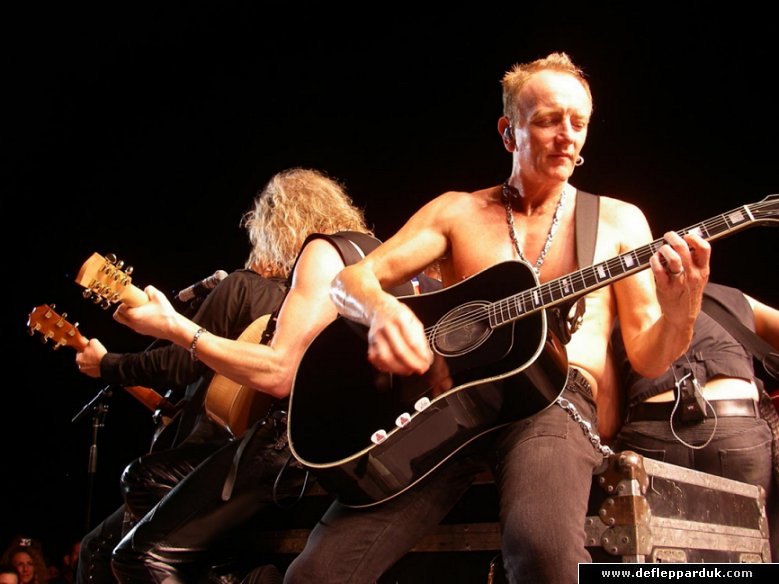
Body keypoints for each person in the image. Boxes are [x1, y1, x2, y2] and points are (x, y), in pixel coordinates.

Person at [282, 52, 711, 584]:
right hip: (449, 408)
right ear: (509, 133)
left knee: (541, 550)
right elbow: (349, 280)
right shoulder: (457, 211)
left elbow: (648, 355)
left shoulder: (619, 221)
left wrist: (682, 310)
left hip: (553, 403)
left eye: (578, 123)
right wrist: (382, 310)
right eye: (549, 120)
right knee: (317, 572)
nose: (567, 136)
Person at [107, 167, 411, 582]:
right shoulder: (380, 254)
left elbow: (280, 373)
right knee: (148, 480)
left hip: (293, 446)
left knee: (138, 557)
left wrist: (174, 328)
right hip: (366, 446)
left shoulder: (322, 253)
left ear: (280, 223)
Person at [72, 171, 302, 583]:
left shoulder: (243, 287)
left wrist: (106, 364)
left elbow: (181, 362)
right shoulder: (302, 307)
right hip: (271, 462)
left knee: (105, 544)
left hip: (211, 462)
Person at [612, 281, 779, 559]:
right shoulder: (732, 297)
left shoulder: (619, 310)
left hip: (649, 431)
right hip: (736, 423)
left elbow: (607, 415)